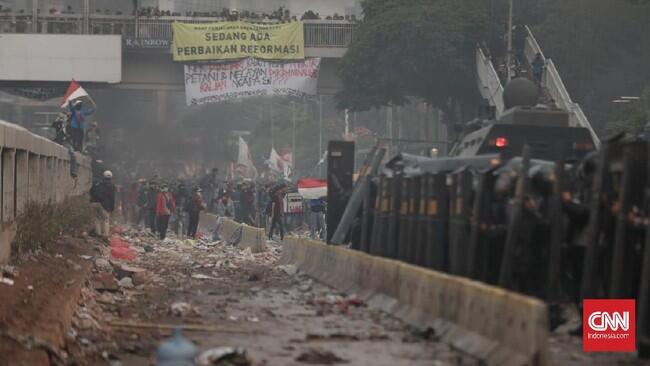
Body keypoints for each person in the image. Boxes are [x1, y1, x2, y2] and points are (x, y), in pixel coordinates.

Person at [90, 170, 116, 236]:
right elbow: (112, 198)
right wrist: (112, 208)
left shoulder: (97, 183)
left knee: (97, 219)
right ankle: (105, 235)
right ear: (111, 177)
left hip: (94, 203)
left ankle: (98, 234)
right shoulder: (111, 185)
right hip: (104, 204)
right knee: (106, 220)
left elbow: (91, 191)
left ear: (103, 176)